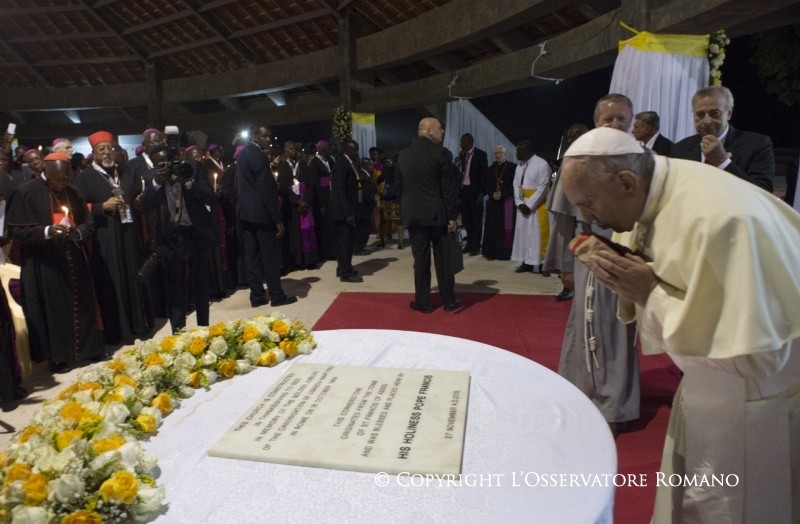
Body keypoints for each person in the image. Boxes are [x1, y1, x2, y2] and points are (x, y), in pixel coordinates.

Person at [559, 126, 800, 523]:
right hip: (708, 389)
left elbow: (751, 356)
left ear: (626, 182)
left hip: (754, 403)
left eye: (587, 203)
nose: (585, 217)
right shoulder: (652, 192)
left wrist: (648, 292)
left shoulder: (722, 220)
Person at [551, 94, 640, 436]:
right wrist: (563, 263)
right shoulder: (578, 157)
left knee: (622, 327)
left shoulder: (642, 160)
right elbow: (562, 216)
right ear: (596, 121)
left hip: (630, 254)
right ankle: (581, 394)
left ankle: (615, 405)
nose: (616, 125)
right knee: (588, 322)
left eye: (622, 120)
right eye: (609, 119)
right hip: (590, 251)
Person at [6, 152, 104, 371]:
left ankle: (89, 349)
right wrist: (48, 231)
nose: (62, 182)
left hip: (73, 256)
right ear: (45, 172)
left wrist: (77, 233)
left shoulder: (73, 192)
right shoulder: (25, 192)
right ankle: (59, 356)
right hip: (44, 262)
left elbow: (88, 225)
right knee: (54, 309)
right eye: (57, 177)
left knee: (83, 301)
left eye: (65, 177)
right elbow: (14, 232)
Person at [75, 131, 152, 344]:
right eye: (102, 149)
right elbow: (79, 210)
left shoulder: (125, 172)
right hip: (105, 237)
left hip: (128, 233)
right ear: (94, 153)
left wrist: (137, 200)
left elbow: (136, 194)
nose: (107, 153)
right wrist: (101, 207)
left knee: (132, 276)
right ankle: (119, 331)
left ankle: (138, 324)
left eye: (110, 148)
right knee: (114, 282)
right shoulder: (84, 178)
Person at [141, 144, 216, 333]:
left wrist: (188, 182)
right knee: (176, 288)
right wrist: (157, 182)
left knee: (201, 285)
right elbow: (144, 207)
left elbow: (211, 197)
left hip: (196, 232)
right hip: (171, 237)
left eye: (167, 161)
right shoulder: (152, 177)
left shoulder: (192, 168)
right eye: (160, 164)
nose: (165, 166)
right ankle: (179, 333)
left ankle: (203, 329)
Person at [396, 117, 460, 313]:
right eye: (440, 128)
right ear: (430, 130)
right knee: (443, 260)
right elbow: (448, 190)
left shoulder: (403, 155)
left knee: (420, 260)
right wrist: (452, 217)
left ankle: (423, 302)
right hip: (437, 216)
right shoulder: (441, 154)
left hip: (414, 216)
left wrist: (406, 210)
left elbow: (400, 188)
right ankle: (449, 301)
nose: (442, 132)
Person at [671, 85, 775, 193]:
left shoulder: (756, 145)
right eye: (700, 114)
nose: (707, 121)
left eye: (714, 113)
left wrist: (723, 162)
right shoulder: (680, 149)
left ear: (729, 113)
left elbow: (764, 193)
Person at [236, 126, 297, 307]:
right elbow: (266, 190)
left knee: (252, 256)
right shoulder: (259, 156)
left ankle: (256, 296)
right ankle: (277, 296)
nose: (268, 139)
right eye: (265, 136)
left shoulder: (243, 154)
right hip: (261, 214)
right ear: (255, 136)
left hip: (246, 213)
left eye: (269, 136)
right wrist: (276, 218)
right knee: (269, 256)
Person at [545, 123, 588, 301]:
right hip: (569, 212)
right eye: (570, 137)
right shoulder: (570, 157)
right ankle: (568, 285)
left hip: (589, 216)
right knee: (566, 248)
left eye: (575, 136)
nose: (571, 140)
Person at [277, 140, 319, 271]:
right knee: (292, 233)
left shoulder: (304, 167)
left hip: (305, 205)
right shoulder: (282, 167)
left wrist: (305, 201)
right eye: (290, 148)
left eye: (295, 148)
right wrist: (296, 201)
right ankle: (295, 261)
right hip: (291, 206)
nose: (293, 150)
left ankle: (308, 260)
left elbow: (311, 186)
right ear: (285, 151)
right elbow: (282, 188)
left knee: (306, 232)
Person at [510, 140, 550, 274]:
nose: (516, 153)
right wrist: (520, 203)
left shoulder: (541, 164)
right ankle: (526, 262)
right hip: (523, 205)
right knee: (523, 235)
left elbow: (543, 187)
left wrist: (529, 204)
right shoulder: (519, 166)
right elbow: (516, 186)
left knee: (537, 235)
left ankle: (544, 264)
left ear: (527, 151)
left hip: (537, 206)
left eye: (518, 151)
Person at [329, 140, 365, 283]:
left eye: (357, 149)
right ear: (345, 149)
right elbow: (340, 190)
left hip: (348, 209)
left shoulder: (349, 162)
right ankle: (345, 272)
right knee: (346, 242)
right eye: (353, 150)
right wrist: (348, 212)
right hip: (344, 212)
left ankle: (344, 267)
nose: (356, 153)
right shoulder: (342, 163)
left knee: (346, 241)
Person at [481, 145, 516, 260]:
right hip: (493, 202)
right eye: (495, 153)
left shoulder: (512, 167)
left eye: (500, 152)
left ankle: (505, 253)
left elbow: (514, 186)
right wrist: (492, 194)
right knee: (492, 227)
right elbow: (486, 185)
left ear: (504, 153)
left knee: (506, 227)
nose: (497, 155)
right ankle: (491, 253)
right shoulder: (491, 169)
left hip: (507, 201)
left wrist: (503, 194)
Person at [457, 133, 487, 256]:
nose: (460, 144)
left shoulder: (481, 154)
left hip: (475, 192)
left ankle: (476, 246)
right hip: (464, 190)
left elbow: (484, 175)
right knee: (466, 219)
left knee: (476, 220)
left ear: (470, 142)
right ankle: (469, 243)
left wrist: (482, 192)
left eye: (462, 142)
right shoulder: (461, 155)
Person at [309, 140, 337, 260]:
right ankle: (324, 252)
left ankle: (332, 251)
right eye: (327, 149)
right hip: (322, 199)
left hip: (331, 196)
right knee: (323, 227)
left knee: (331, 226)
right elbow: (316, 183)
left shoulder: (330, 161)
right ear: (321, 150)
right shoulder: (314, 163)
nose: (329, 151)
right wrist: (321, 203)